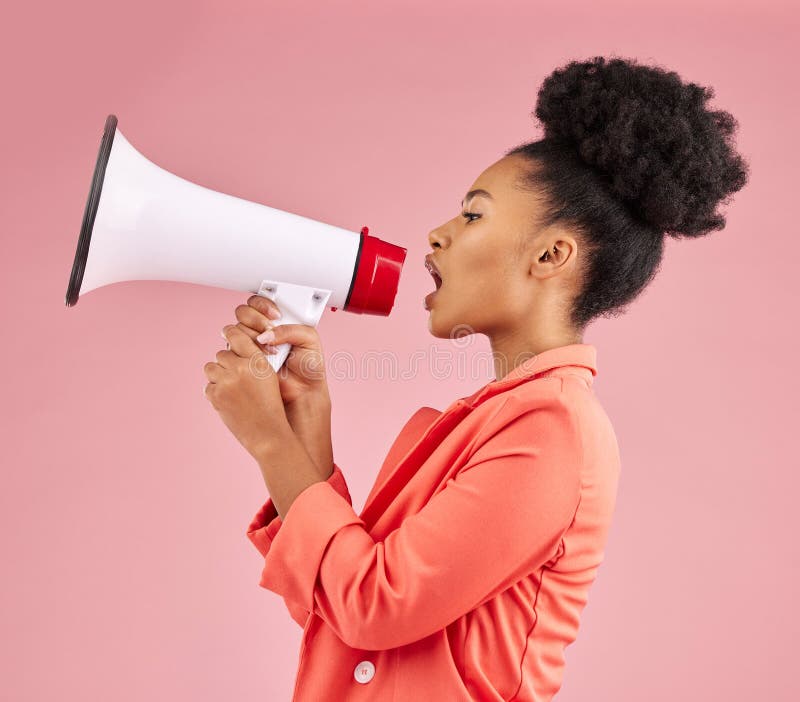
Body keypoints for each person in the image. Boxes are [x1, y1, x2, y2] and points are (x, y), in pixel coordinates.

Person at [203, 55, 749, 701]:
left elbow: (373, 606)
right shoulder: (501, 419)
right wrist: (305, 436)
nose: (437, 234)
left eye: (473, 215)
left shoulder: (554, 431)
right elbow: (345, 618)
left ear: (551, 256)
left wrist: (270, 443)